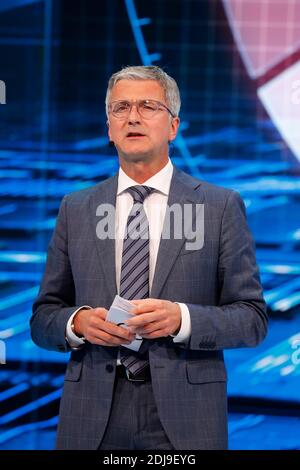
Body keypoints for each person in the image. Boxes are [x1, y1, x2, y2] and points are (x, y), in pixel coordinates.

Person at [31, 65, 268, 450]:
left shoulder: (219, 206)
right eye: (120, 107)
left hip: (186, 416)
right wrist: (77, 323)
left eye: (148, 106)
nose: (134, 117)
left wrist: (183, 319)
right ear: (109, 128)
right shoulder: (75, 208)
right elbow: (43, 318)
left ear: (173, 126)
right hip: (92, 415)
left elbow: (252, 319)